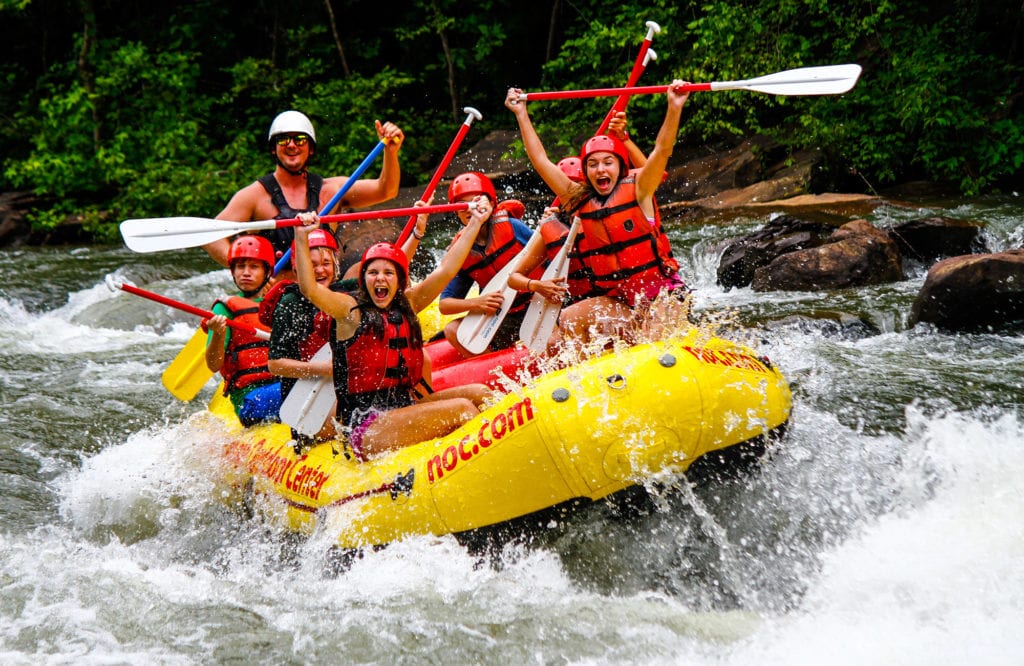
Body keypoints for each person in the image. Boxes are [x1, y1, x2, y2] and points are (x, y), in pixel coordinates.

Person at [292, 202, 493, 461]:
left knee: (482, 394)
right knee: (464, 409)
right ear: (364, 278)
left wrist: (475, 222)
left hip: (404, 405)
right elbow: (311, 289)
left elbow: (447, 270)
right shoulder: (349, 311)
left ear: (399, 280)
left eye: (388, 273)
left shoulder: (407, 304)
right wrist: (301, 237)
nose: (380, 278)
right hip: (367, 424)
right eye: (373, 272)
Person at [504, 81, 691, 345]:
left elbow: (662, 151)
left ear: (620, 166)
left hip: (662, 295)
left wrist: (674, 107)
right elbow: (540, 160)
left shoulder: (640, 190)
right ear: (586, 172)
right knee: (570, 317)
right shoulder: (577, 200)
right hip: (622, 300)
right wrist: (521, 113)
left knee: (653, 341)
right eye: (592, 164)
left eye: (607, 162)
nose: (600, 169)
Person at [260, 211, 432, 444]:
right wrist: (327, 369)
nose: (321, 270)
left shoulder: (348, 291)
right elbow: (275, 364)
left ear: (336, 264)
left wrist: (417, 233)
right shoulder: (290, 304)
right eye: (312, 265)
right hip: (310, 401)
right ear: (298, 267)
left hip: (350, 388)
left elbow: (390, 269)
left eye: (326, 263)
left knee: (425, 359)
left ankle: (413, 416)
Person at [203, 110, 405, 280]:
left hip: (325, 292)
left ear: (310, 149)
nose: (292, 145)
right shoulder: (253, 196)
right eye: (283, 140)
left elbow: (386, 190)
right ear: (273, 149)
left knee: (359, 271)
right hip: (278, 294)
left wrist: (391, 153)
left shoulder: (333, 189)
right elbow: (210, 235)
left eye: (300, 139)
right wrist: (247, 270)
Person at [437, 171, 543, 357]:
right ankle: (496, 369)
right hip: (503, 316)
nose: (471, 209)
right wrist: (477, 303)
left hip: (538, 303)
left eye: (476, 202)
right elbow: (445, 305)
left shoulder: (512, 226)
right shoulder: (461, 253)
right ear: (456, 212)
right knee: (452, 330)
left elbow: (548, 252)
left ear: (492, 203)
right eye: (463, 205)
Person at [205, 235, 282, 426]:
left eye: (254, 267)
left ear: (267, 272)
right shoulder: (224, 309)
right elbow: (213, 365)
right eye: (240, 267)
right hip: (251, 400)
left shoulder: (281, 303)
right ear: (232, 271)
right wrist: (218, 333)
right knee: (297, 390)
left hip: (280, 387)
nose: (246, 273)